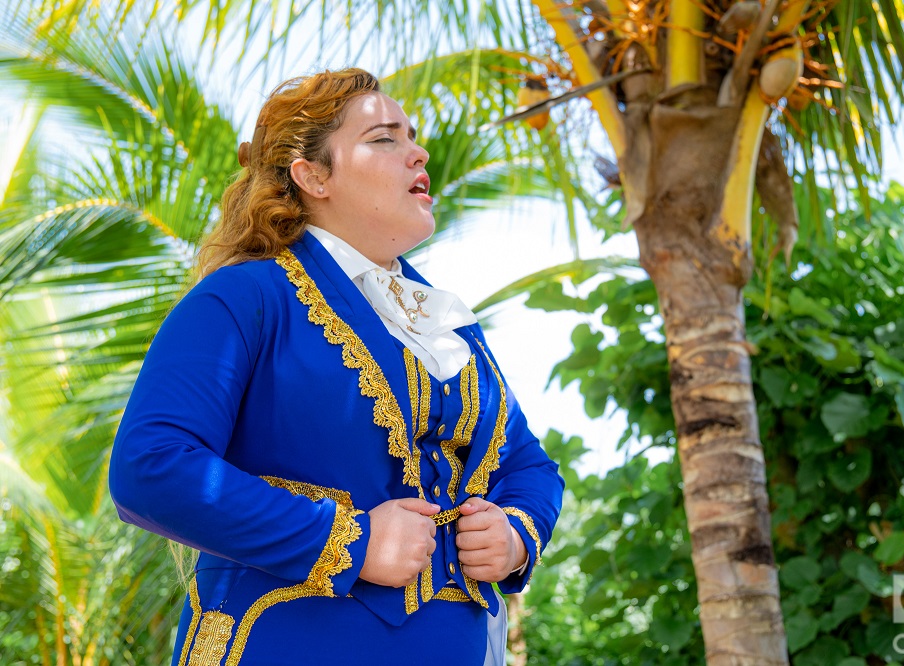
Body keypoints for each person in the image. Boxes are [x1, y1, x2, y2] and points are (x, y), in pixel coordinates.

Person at [108, 68, 563, 666]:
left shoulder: (448, 324)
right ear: (313, 176)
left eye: (412, 135)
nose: (418, 152)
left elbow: (528, 464)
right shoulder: (245, 298)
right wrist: (350, 542)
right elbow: (151, 468)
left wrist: (513, 536)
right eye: (385, 138)